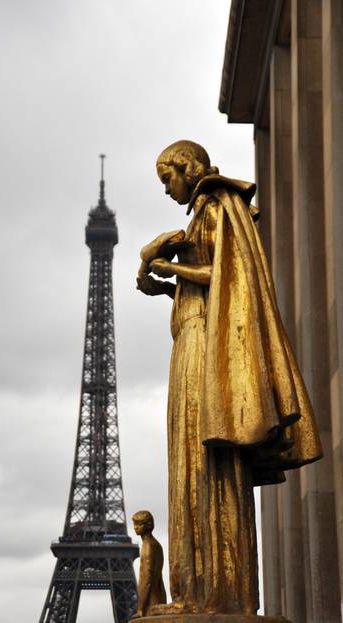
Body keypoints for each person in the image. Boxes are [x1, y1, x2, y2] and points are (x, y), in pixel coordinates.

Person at [137, 140, 322, 615]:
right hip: (193, 340)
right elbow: (212, 282)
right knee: (192, 465)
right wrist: (163, 281)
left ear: (189, 168)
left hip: (204, 345)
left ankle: (214, 592)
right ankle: (196, 590)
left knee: (206, 464)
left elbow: (227, 273)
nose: (166, 189)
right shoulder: (202, 214)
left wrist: (168, 264)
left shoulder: (219, 205)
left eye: (167, 179)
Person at [132, 510, 167, 618]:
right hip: (158, 597)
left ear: (148, 525)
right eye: (134, 524)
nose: (135, 527)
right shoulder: (155, 544)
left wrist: (140, 608)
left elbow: (147, 580)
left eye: (139, 524)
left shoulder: (148, 547)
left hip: (150, 602)